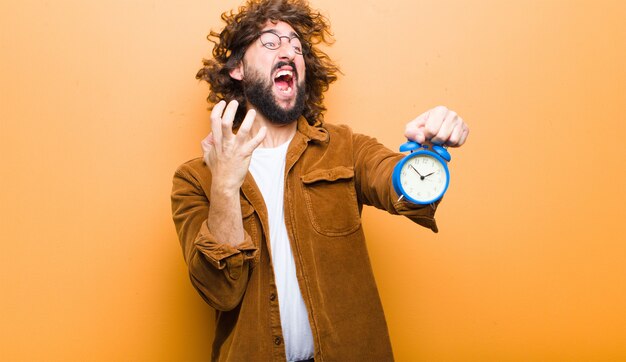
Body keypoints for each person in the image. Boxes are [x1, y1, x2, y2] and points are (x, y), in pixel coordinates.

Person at [171, 0, 469, 360]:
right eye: (271, 42)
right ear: (237, 68)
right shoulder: (194, 179)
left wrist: (428, 151)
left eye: (296, 46)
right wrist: (225, 185)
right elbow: (221, 292)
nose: (289, 51)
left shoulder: (345, 147)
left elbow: (401, 187)